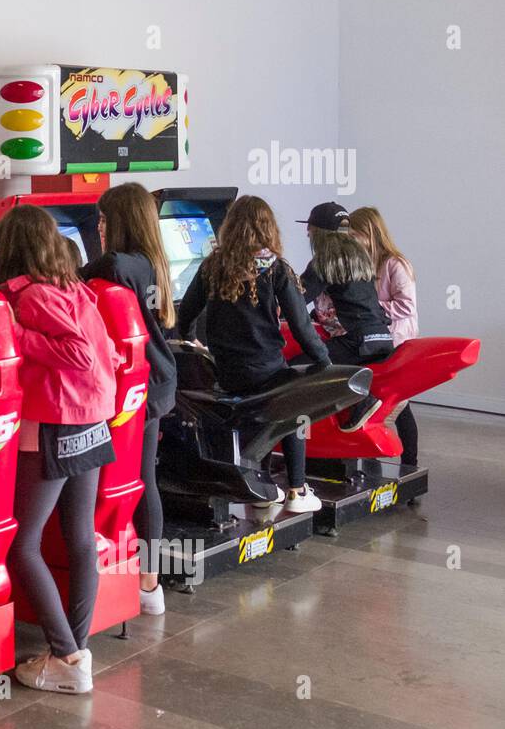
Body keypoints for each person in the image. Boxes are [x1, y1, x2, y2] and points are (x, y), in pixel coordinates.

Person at [0, 205, 118, 695]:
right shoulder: (75, 288)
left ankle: (67, 655)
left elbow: (77, 353)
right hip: (92, 420)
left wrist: (15, 335)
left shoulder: (33, 294)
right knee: (80, 537)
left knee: (22, 545)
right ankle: (74, 652)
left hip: (56, 424)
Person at [176, 195, 328, 514]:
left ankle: (260, 485)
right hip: (266, 369)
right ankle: (297, 490)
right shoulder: (276, 269)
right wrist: (324, 362)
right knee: (293, 410)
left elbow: (187, 313)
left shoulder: (212, 266)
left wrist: (192, 344)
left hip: (227, 373)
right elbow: (301, 325)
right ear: (268, 228)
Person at [82, 182, 177, 616]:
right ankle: (148, 584)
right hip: (155, 382)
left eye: (102, 219)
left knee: (120, 483)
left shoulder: (119, 264)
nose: (98, 227)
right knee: (141, 481)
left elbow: (90, 275)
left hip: (130, 387)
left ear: (116, 222)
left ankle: (123, 577)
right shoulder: (154, 262)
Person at [297, 202, 393, 432]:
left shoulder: (324, 260)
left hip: (355, 341)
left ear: (319, 231)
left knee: (295, 369)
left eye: (309, 227)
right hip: (381, 338)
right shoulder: (360, 257)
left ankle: (360, 399)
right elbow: (350, 297)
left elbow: (296, 297)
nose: (307, 232)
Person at [348, 206, 419, 466]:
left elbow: (407, 306)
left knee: (399, 407)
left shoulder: (395, 264)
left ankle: (409, 465)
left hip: (397, 344)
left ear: (368, 233)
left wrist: (371, 308)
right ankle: (372, 463)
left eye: (354, 234)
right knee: (379, 406)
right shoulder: (364, 265)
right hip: (376, 342)